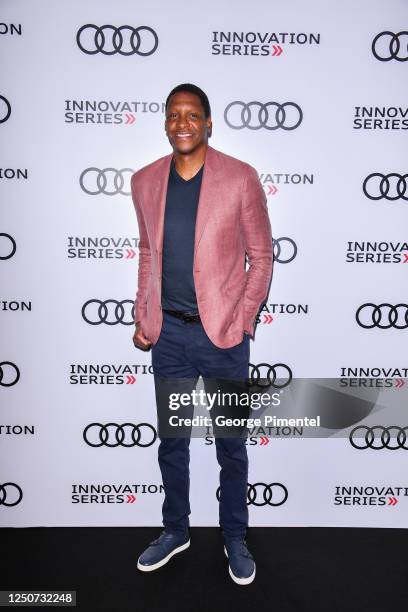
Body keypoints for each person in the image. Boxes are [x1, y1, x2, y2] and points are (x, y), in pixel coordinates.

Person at [131, 83, 273, 585]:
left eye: (192, 114)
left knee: (231, 443)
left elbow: (262, 255)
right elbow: (148, 254)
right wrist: (143, 315)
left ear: (208, 123)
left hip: (223, 339)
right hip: (168, 337)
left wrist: (244, 318)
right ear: (166, 123)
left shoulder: (240, 178)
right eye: (174, 114)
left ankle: (234, 535)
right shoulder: (145, 181)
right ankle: (176, 530)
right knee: (172, 441)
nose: (182, 123)